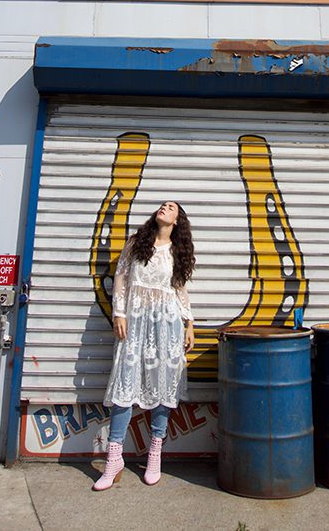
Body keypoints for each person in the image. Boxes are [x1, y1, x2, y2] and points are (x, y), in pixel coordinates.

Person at [93, 200, 195, 490]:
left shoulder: (177, 251)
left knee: (163, 386)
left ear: (177, 221)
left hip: (168, 324)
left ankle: (155, 454)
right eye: (162, 205)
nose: (164, 208)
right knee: (125, 384)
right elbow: (122, 278)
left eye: (172, 207)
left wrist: (189, 323)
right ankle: (114, 458)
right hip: (135, 322)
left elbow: (180, 289)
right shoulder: (137, 242)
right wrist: (119, 313)